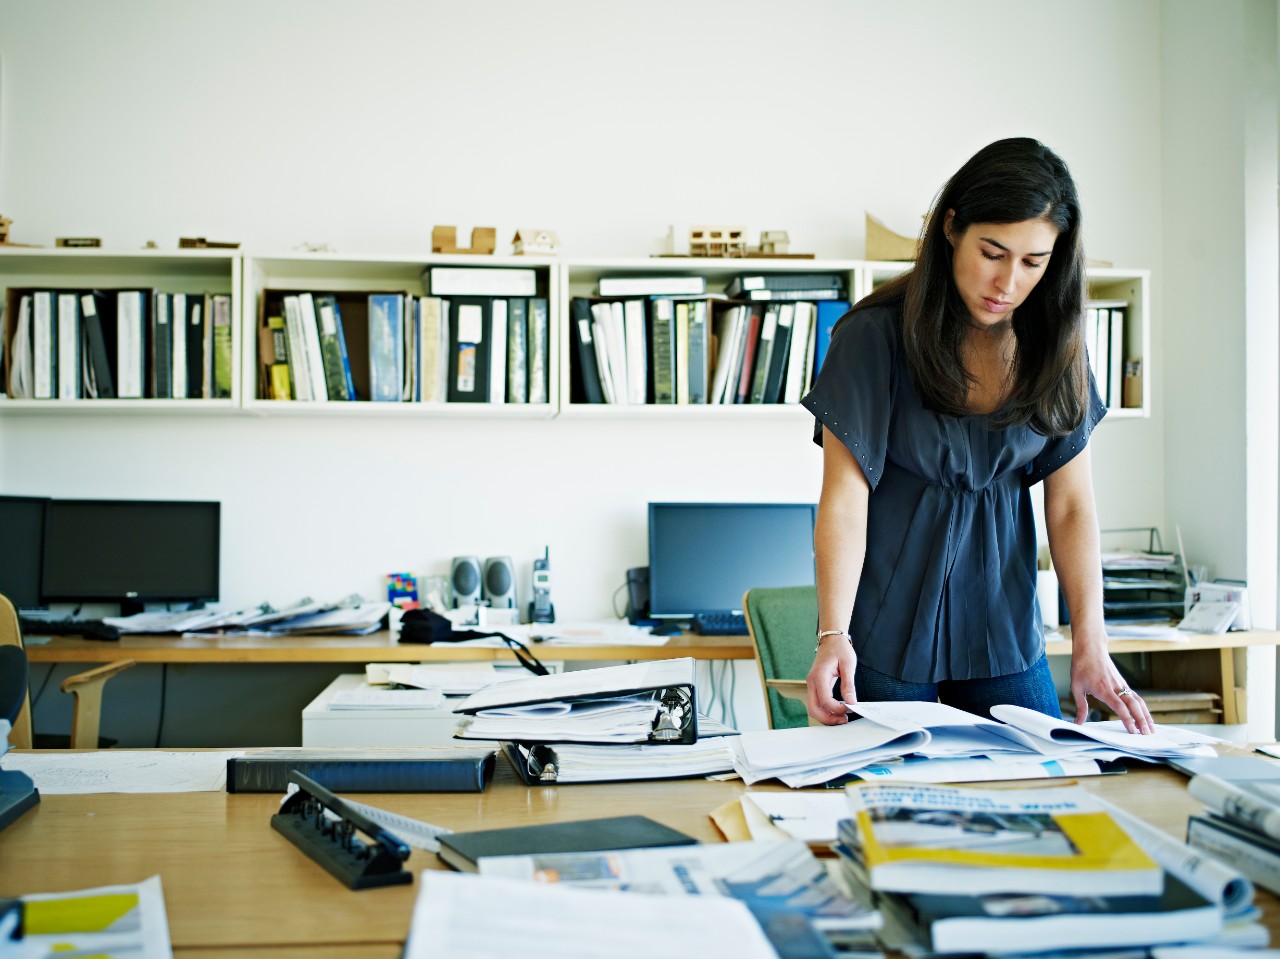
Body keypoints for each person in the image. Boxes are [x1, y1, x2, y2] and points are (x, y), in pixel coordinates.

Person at [801, 137, 1154, 735]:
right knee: (888, 811)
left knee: (1042, 794)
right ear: (951, 228)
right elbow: (844, 495)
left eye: (1033, 262)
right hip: (887, 634)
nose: (1008, 281)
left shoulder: (1058, 349)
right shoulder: (872, 337)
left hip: (1005, 631)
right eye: (993, 252)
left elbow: (1070, 505)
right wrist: (833, 632)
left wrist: (1091, 643)